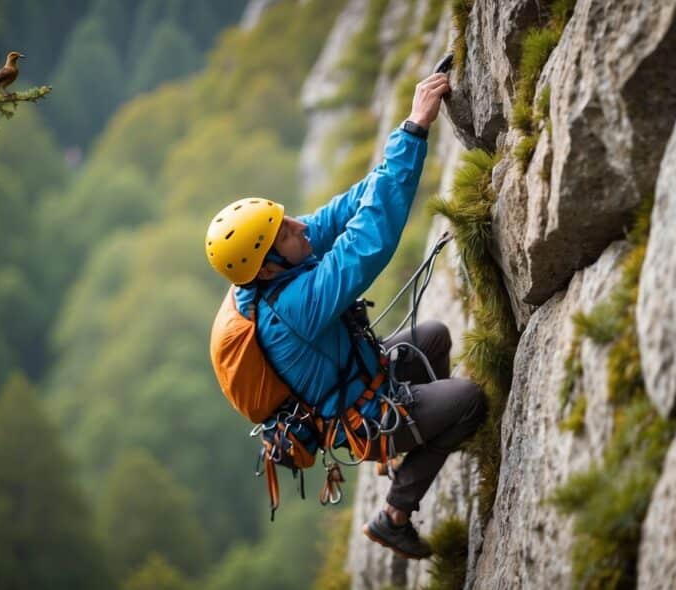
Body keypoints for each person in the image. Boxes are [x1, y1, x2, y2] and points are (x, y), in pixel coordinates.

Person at [204, 72, 487, 559]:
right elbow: (367, 240)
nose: (299, 224)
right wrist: (419, 129)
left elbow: (348, 208)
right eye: (285, 230)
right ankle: (394, 516)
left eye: (285, 218)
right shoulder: (295, 306)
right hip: (364, 417)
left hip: (370, 381)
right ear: (268, 263)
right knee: (468, 401)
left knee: (434, 336)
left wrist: (408, 132)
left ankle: (414, 444)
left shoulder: (271, 269)